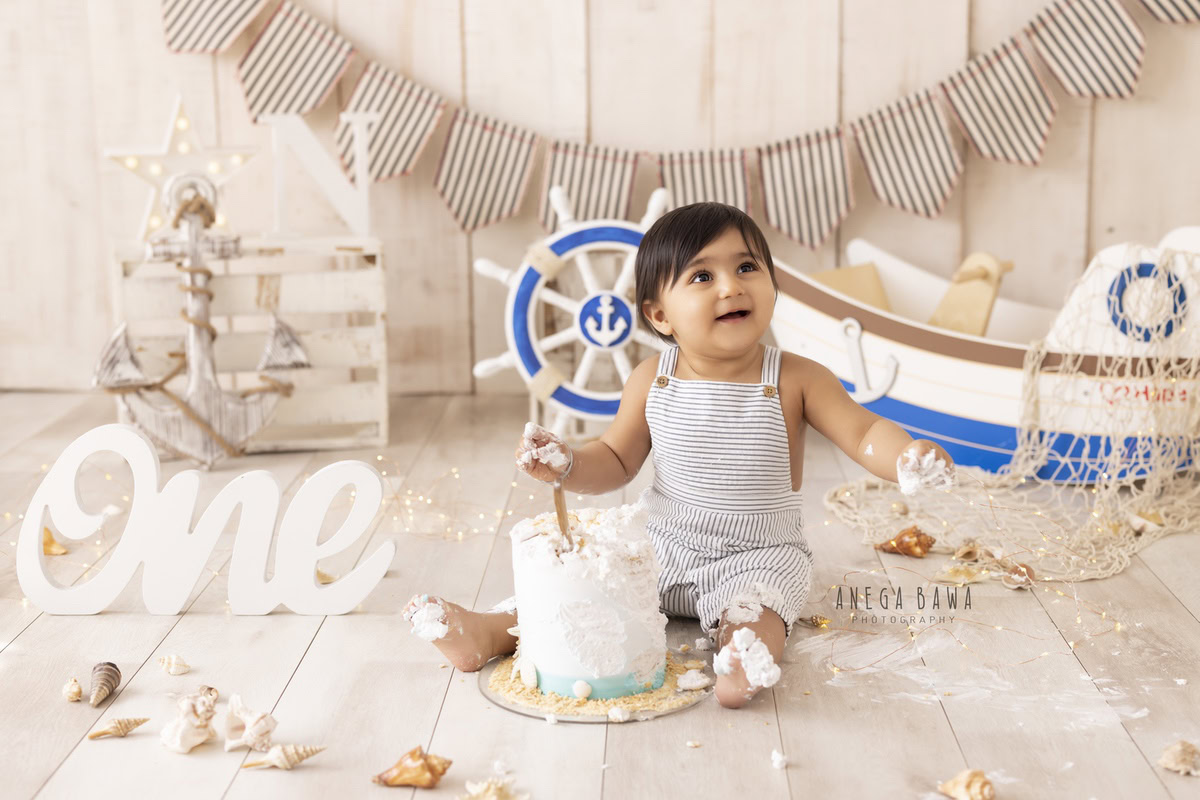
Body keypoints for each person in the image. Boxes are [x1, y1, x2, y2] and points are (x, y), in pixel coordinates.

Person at [404, 202, 955, 708]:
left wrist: (906, 456)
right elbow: (617, 459)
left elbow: (862, 433)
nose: (730, 288)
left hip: (758, 552)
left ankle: (743, 657)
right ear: (659, 315)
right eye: (701, 276)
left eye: (746, 268)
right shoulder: (652, 379)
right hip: (662, 542)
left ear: (770, 282)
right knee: (587, 587)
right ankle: (488, 631)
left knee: (756, 611)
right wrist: (569, 465)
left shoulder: (795, 377)